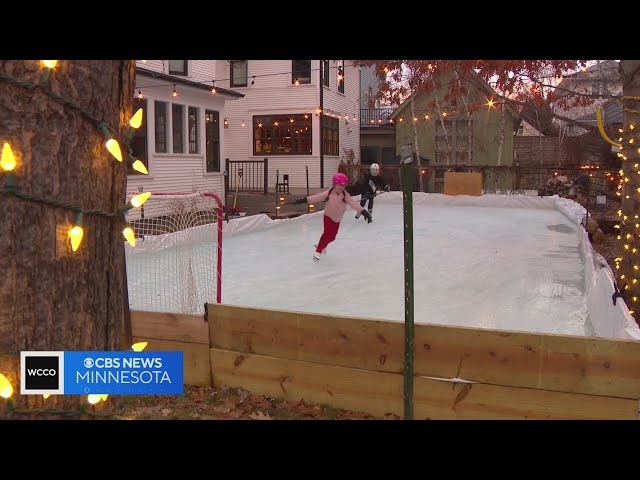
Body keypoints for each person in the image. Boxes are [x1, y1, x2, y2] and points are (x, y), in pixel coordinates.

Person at [294, 172, 371, 261]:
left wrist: (363, 211)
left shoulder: (345, 195)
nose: (341, 187)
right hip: (328, 216)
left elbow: (353, 204)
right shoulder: (329, 193)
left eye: (343, 186)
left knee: (332, 237)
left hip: (337, 219)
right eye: (339, 185)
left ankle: (321, 246)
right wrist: (305, 200)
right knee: (327, 233)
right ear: (334, 184)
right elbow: (317, 197)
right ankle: (318, 252)